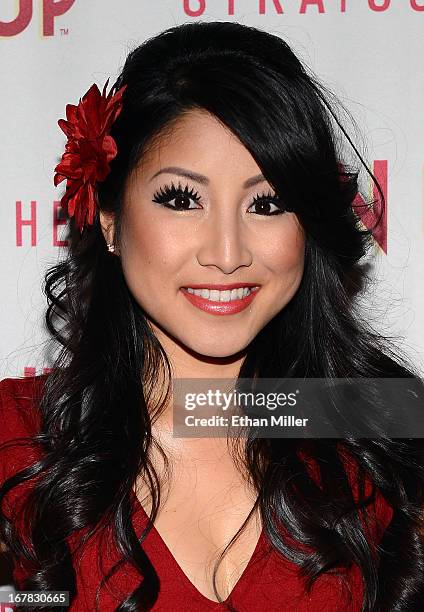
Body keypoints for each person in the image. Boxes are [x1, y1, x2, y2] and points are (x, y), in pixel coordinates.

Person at [0, 20, 423, 612]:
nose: (226, 254)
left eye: (267, 203)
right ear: (109, 217)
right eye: (181, 199)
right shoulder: (15, 437)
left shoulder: (381, 432)